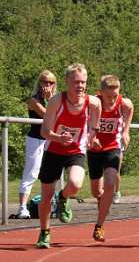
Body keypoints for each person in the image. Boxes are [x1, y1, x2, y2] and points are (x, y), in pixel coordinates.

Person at [34, 64, 101, 248]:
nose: (80, 86)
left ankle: (63, 197)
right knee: (46, 196)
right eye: (76, 82)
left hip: (75, 150)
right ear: (67, 82)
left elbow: (98, 108)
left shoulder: (92, 102)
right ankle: (44, 232)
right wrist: (58, 137)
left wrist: (93, 133)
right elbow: (44, 131)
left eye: (83, 82)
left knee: (75, 184)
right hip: (54, 150)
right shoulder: (56, 101)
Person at [86, 75, 134, 242]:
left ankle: (99, 226)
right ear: (100, 93)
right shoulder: (94, 103)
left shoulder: (123, 103)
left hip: (112, 148)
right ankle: (101, 199)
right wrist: (90, 137)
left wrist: (126, 131)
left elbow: (130, 108)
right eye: (108, 97)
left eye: (115, 96)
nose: (112, 100)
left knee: (110, 183)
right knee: (95, 191)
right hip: (94, 148)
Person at [15, 70, 56, 219]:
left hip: (51, 139)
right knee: (32, 172)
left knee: (53, 173)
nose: (48, 85)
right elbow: (48, 115)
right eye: (45, 82)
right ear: (39, 83)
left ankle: (54, 204)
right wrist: (49, 99)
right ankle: (22, 208)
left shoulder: (56, 99)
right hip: (36, 139)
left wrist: (51, 99)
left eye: (51, 82)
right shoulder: (34, 100)